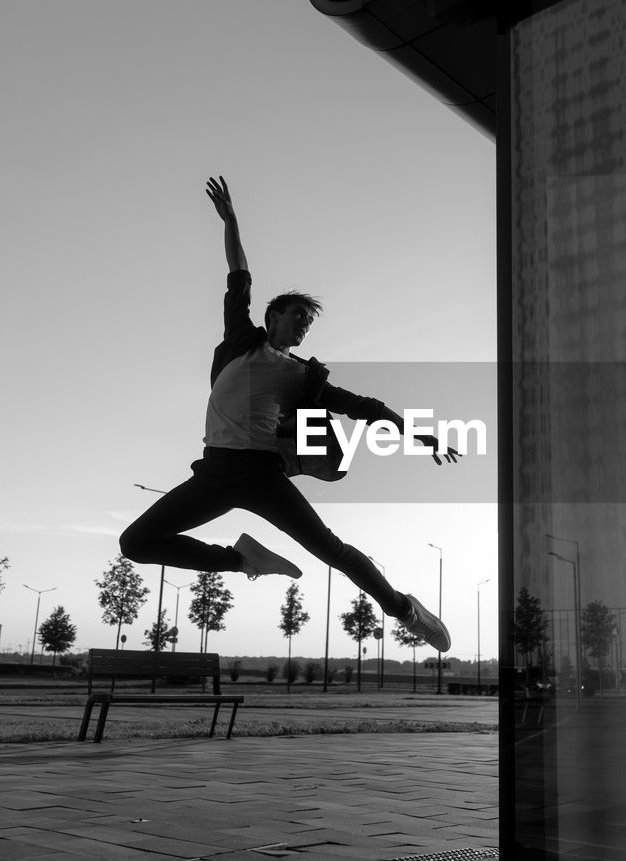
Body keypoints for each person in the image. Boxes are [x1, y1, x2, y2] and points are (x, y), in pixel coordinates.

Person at [120, 176, 459, 652]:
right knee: (136, 543)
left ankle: (404, 609)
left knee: (331, 551)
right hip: (214, 472)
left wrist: (422, 436)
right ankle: (242, 560)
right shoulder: (242, 340)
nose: (304, 324)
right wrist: (232, 221)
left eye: (309, 321)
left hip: (262, 475)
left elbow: (365, 407)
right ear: (273, 315)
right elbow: (239, 277)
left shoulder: (303, 377)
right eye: (298, 314)